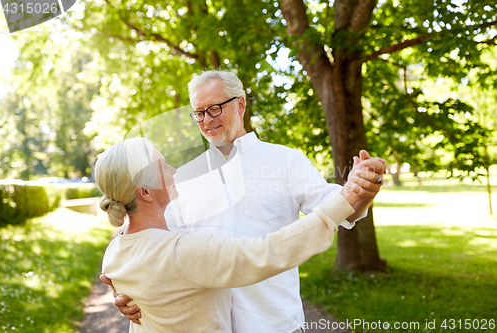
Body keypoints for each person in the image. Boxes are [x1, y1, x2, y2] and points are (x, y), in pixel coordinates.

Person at [103, 70, 386, 332]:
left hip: (276, 323)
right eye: (199, 113)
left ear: (240, 105)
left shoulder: (285, 161)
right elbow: (151, 240)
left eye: (214, 108)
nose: (206, 120)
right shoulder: (184, 177)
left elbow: (341, 209)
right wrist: (126, 288)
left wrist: (361, 194)